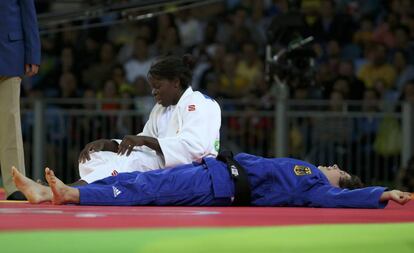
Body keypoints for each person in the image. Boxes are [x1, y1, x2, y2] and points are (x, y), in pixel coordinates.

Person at [12, 153, 411, 208]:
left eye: (338, 169)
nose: (331, 166)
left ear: (342, 182)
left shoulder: (316, 187)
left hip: (217, 187)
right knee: (136, 176)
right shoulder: (303, 169)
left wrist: (379, 193)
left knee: (144, 190)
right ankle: (49, 192)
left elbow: (339, 201)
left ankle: (70, 195)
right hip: (213, 169)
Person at [77, 55, 221, 184]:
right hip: (158, 163)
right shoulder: (160, 108)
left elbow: (193, 150)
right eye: (152, 87)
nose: (153, 92)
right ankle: (90, 185)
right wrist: (109, 144)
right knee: (93, 157)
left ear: (176, 82)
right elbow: (141, 145)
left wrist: (145, 141)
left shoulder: (198, 103)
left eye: (157, 86)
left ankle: (78, 188)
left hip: (192, 171)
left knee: (132, 161)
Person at [0, 0, 41, 200]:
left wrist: (32, 53)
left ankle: (15, 184)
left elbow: (28, 12)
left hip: (8, 52)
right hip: (9, 49)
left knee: (10, 121)